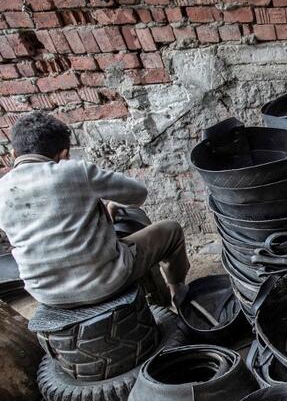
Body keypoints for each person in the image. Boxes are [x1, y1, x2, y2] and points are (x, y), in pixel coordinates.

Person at [0, 111, 189, 308]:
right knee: (171, 230)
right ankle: (178, 293)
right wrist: (113, 202)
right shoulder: (73, 171)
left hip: (46, 294)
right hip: (105, 283)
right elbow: (138, 194)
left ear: (14, 155)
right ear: (64, 155)